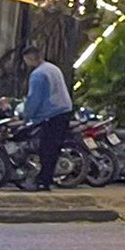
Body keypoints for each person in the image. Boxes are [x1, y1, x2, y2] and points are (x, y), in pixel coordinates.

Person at [22, 56, 74, 190]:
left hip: (52, 114)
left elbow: (34, 98)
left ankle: (43, 181)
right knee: (53, 147)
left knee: (46, 148)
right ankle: (47, 179)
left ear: (28, 58)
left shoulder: (38, 74)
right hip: (64, 110)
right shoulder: (53, 68)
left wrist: (27, 115)